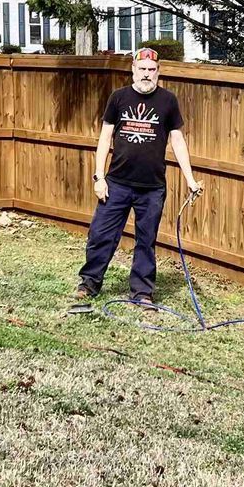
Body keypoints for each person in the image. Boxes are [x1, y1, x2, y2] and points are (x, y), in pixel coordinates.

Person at [76, 47, 202, 307]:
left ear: (158, 72)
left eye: (152, 70)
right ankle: (89, 283)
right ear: (133, 70)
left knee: (146, 241)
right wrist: (99, 177)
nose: (147, 75)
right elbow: (104, 138)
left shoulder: (168, 101)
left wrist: (190, 179)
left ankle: (142, 292)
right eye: (142, 69)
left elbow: (178, 141)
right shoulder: (119, 98)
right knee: (101, 235)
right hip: (117, 184)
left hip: (152, 188)